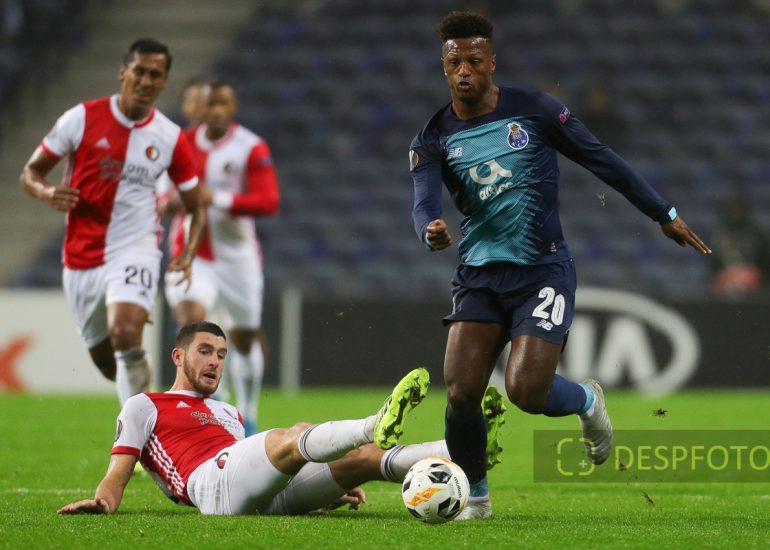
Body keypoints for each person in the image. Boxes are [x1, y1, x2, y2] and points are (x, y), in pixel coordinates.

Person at [409, 11, 712, 520]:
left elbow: (602, 159)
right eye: (455, 62)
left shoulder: (535, 110)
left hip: (541, 270)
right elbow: (422, 203)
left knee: (526, 392)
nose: (464, 71)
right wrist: (429, 229)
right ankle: (476, 499)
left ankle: (587, 401)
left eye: (474, 61)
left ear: (491, 63)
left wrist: (664, 213)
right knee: (460, 392)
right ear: (444, 67)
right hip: (479, 275)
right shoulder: (433, 136)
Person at [57, 322, 505, 516]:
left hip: (254, 492)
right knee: (294, 435)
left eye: (221, 355)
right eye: (205, 352)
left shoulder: (228, 412)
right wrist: (104, 502)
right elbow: (118, 471)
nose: (215, 362)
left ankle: (464, 450)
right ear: (177, 356)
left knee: (363, 458)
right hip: (208, 488)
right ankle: (376, 420)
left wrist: (324, 492)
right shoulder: (145, 404)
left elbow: (258, 470)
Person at [20, 39, 206, 405]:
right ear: (123, 72)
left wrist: (188, 251)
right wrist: (45, 192)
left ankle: (138, 435)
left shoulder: (170, 137)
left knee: (125, 333)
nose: (146, 80)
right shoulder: (81, 118)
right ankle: (144, 391)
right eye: (139, 71)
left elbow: (196, 206)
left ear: (165, 81)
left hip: (136, 247)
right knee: (108, 362)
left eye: (155, 74)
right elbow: (30, 172)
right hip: (81, 256)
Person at [159, 79, 280, 435]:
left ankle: (248, 411)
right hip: (192, 254)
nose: (214, 111)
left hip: (237, 258)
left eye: (222, 104)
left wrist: (218, 198)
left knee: (244, 338)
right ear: (200, 108)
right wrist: (170, 203)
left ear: (232, 107)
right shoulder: (180, 145)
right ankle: (211, 403)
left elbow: (268, 201)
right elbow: (162, 196)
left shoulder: (250, 147)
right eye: (209, 104)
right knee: (191, 321)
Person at [710, 196, 770, 297]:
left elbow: (764, 260)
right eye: (733, 211)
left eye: (738, 211)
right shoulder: (720, 235)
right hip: (726, 278)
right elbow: (714, 263)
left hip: (753, 276)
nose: (735, 214)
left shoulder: (757, 234)